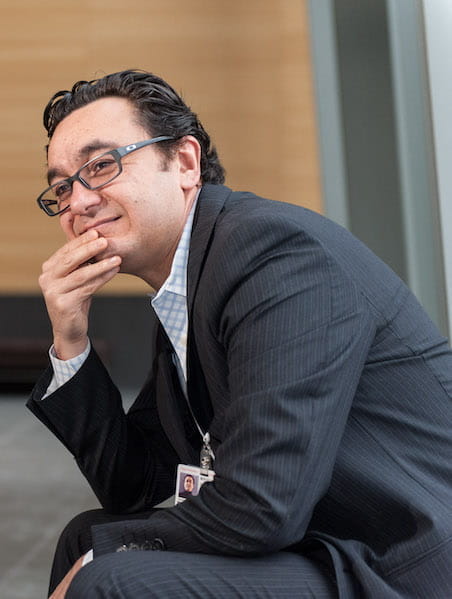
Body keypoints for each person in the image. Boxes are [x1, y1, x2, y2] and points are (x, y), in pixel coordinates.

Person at [25, 69, 452, 598]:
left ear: (184, 162)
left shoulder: (276, 255)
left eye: (101, 166)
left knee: (112, 577)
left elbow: (263, 505)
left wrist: (110, 551)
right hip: (324, 543)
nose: (80, 201)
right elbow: (131, 484)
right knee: (84, 537)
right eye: (62, 187)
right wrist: (70, 339)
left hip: (401, 563)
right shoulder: (189, 284)